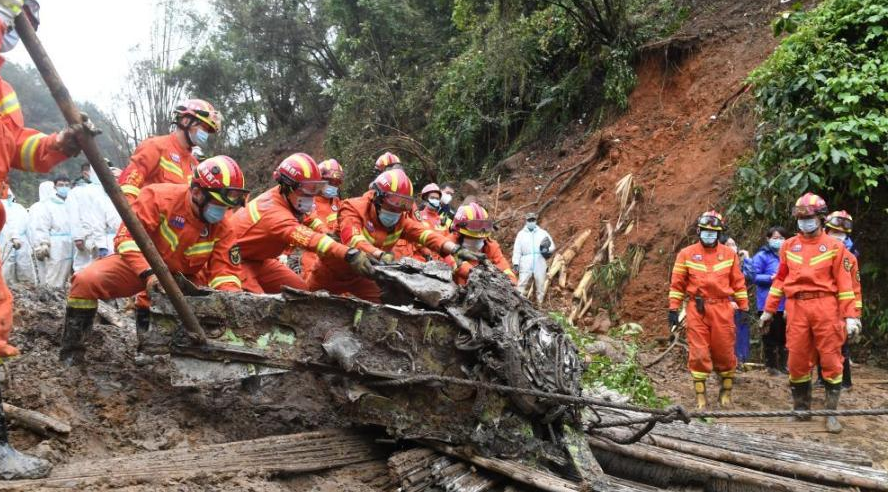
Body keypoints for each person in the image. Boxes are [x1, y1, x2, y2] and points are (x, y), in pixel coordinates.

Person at [0, 0, 96, 479]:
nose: (14, 33)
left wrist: (61, 144)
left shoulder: (3, 92)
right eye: (14, 21)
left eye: (23, 27)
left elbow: (19, 147)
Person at [62, 156, 247, 366]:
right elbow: (125, 239)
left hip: (186, 278)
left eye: (226, 207)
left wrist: (234, 304)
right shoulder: (159, 197)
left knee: (194, 321)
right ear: (196, 193)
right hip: (141, 266)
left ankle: (159, 348)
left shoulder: (225, 225)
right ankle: (72, 353)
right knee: (86, 281)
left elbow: (226, 272)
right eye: (218, 205)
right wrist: (148, 273)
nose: (222, 212)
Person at [306, 169, 484, 302]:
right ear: (378, 197)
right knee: (305, 303)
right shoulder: (353, 208)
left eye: (403, 205)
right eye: (394, 203)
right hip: (330, 273)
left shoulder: (399, 218)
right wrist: (380, 255)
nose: (397, 210)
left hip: (362, 276)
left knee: (383, 310)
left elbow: (424, 234)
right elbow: (353, 239)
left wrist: (454, 248)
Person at [761, 193, 858, 433]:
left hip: (826, 307)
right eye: (801, 218)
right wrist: (768, 310)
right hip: (796, 308)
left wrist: (852, 317)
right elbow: (780, 279)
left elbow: (846, 287)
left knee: (831, 359)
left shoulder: (836, 247)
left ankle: (831, 413)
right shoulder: (788, 246)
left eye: (809, 217)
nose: (805, 221)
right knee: (796, 359)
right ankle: (801, 408)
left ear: (821, 218)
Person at [232, 153, 373, 294]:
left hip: (260, 260)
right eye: (307, 188)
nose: (312, 195)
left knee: (300, 293)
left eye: (315, 188)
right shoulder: (274, 213)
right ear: (288, 186)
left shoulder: (289, 199)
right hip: (236, 261)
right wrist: (348, 253)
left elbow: (310, 219)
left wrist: (327, 233)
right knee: (258, 306)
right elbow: (308, 239)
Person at [668, 211, 749, 409]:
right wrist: (673, 309)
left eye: (713, 232)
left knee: (724, 352)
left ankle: (726, 392)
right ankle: (701, 397)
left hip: (722, 308)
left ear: (720, 233)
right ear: (698, 231)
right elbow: (677, 285)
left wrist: (744, 308)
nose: (709, 235)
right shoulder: (686, 254)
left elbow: (738, 283)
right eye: (705, 231)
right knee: (698, 353)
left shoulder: (729, 254)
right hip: (697, 308)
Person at [118, 99, 221, 202]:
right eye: (203, 127)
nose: (205, 134)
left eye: (208, 131)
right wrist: (132, 215)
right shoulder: (155, 146)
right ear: (186, 121)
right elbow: (128, 186)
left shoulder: (195, 165)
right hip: (143, 216)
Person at [823, 210, 860, 389]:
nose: (838, 236)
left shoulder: (850, 258)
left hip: (841, 310)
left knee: (841, 346)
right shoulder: (817, 253)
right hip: (820, 307)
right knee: (819, 345)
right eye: (834, 232)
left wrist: (855, 315)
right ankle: (821, 379)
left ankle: (845, 381)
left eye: (842, 234)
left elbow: (855, 288)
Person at [747, 226, 789, 376]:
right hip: (766, 302)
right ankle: (771, 366)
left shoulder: (789, 255)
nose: (778, 241)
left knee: (785, 336)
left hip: (786, 303)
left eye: (781, 238)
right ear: (768, 239)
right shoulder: (762, 256)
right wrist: (770, 278)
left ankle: (784, 366)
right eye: (775, 238)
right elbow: (753, 276)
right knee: (769, 335)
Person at [447, 203, 516, 285]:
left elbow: (503, 266)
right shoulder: (448, 245)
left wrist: (511, 282)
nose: (478, 240)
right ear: (458, 233)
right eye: (473, 237)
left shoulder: (490, 246)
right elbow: (449, 262)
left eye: (481, 238)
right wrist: (476, 274)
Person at [300, 158, 344, 275]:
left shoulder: (336, 202)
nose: (333, 186)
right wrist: (327, 233)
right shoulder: (308, 200)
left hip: (335, 253)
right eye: (330, 182)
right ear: (320, 180)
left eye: (336, 183)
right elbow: (311, 219)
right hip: (314, 253)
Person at [31, 175, 73, 288]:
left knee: (69, 276)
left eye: (66, 185)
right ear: (55, 187)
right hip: (56, 244)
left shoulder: (72, 203)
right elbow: (42, 226)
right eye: (60, 185)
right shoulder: (47, 205)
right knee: (55, 271)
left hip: (72, 242)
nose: (64, 187)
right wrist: (43, 243)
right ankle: (51, 296)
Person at [512, 213, 554, 305]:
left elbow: (551, 246)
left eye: (533, 220)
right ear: (526, 221)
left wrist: (546, 250)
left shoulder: (543, 233)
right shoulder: (521, 234)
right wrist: (516, 263)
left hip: (540, 260)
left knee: (540, 285)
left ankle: (539, 305)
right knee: (522, 283)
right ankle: (518, 304)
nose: (531, 222)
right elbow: (517, 250)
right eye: (529, 220)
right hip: (525, 260)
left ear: (536, 220)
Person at [0, 184, 35, 285]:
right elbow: (7, 224)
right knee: (6, 270)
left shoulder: (19, 208)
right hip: (4, 241)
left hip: (22, 242)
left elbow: (29, 226)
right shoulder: (3, 206)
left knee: (25, 269)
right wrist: (14, 236)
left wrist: (33, 245)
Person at [725, 237, 751, 367]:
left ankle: (741, 360)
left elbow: (751, 276)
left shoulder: (740, 263)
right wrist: (728, 300)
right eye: (728, 244)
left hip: (741, 303)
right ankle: (730, 361)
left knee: (742, 332)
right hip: (725, 303)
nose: (732, 247)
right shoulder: (721, 263)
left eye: (733, 244)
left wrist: (747, 259)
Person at [27, 181, 54, 283]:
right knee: (44, 271)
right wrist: (38, 245)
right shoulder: (38, 207)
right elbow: (34, 228)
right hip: (42, 244)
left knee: (50, 271)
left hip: (50, 243)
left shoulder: (37, 206)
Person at [413, 183, 448, 261]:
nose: (435, 200)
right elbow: (413, 238)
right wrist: (426, 252)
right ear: (425, 198)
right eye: (432, 198)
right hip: (419, 260)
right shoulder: (418, 216)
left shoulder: (441, 220)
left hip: (439, 262)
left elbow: (447, 240)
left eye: (437, 198)